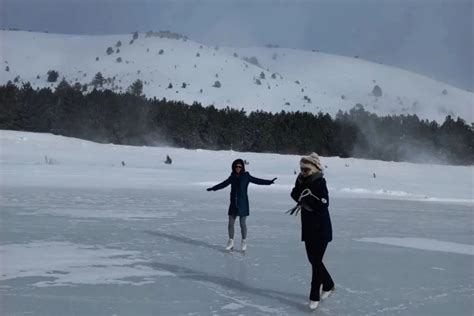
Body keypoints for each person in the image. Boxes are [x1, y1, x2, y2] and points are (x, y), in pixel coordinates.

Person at [290, 153, 335, 310]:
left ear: (315, 168)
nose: (303, 172)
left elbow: (324, 203)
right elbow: (295, 193)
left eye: (306, 169)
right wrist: (299, 196)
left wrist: (310, 199)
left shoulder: (320, 182)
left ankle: (314, 295)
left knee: (316, 262)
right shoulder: (300, 180)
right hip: (308, 228)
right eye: (302, 169)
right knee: (312, 259)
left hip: (321, 228)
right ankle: (328, 283)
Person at [207, 158, 277, 251]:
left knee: (242, 223)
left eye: (240, 166)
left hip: (243, 203)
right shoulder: (232, 176)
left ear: (243, 167)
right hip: (233, 203)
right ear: (233, 167)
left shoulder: (246, 176)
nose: (238, 168)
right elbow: (224, 184)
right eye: (236, 166)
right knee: (230, 223)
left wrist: (268, 182)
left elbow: (257, 180)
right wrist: (214, 188)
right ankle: (231, 241)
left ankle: (244, 241)